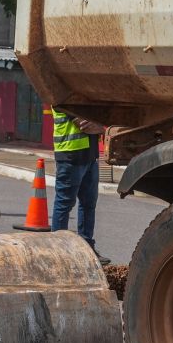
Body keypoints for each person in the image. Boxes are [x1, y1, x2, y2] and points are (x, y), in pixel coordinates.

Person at [49, 106, 107, 263]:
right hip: (70, 157)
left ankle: (87, 247)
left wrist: (100, 128)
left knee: (89, 205)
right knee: (64, 204)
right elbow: (85, 125)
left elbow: (95, 125)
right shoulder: (61, 98)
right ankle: (59, 252)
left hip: (90, 156)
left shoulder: (81, 97)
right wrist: (102, 128)